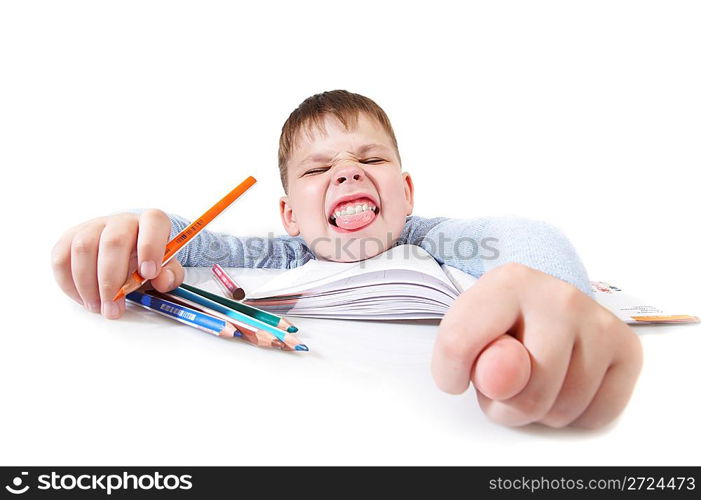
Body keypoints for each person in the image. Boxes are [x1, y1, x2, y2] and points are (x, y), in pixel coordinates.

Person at [51, 90, 642, 429]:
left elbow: (518, 234)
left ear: (406, 193)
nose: (348, 172)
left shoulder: (433, 236)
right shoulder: (282, 251)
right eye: (317, 169)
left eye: (370, 160)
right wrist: (138, 237)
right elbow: (207, 247)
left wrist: (544, 288)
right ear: (291, 216)